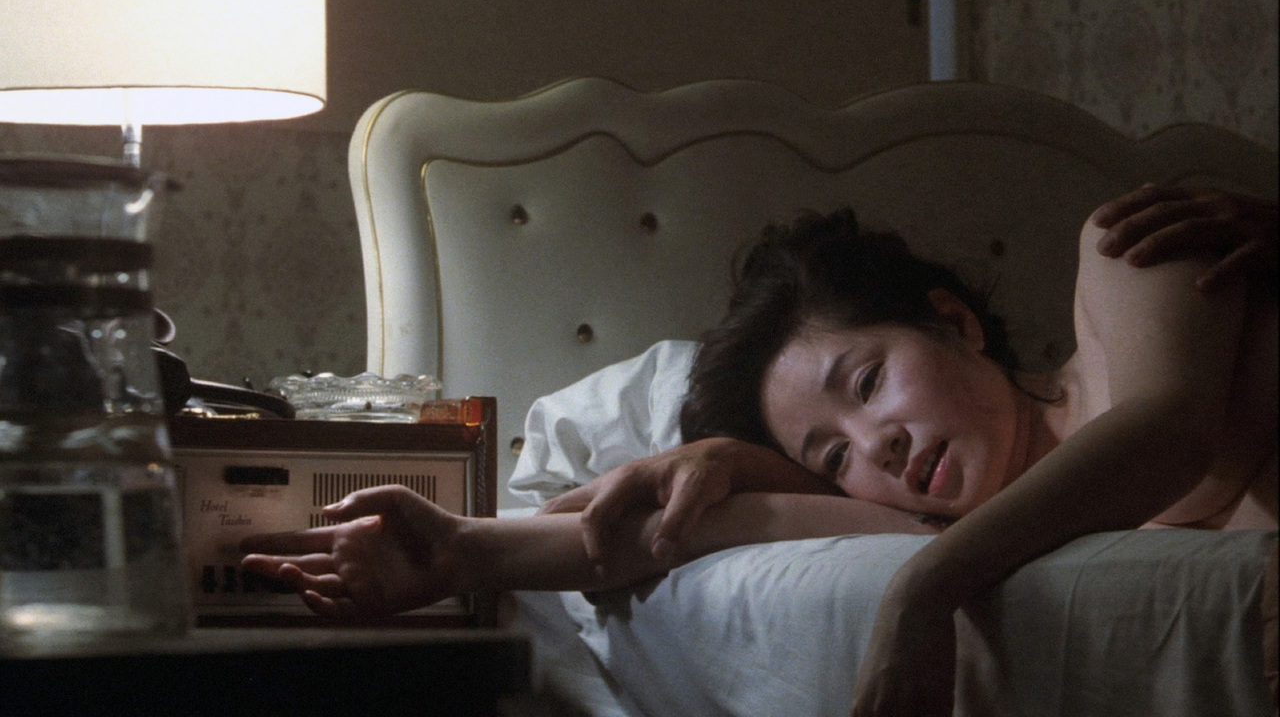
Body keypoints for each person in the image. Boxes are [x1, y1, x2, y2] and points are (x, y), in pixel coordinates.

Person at [240, 184, 1277, 717]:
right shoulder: (928, 516)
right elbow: (694, 532)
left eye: (867, 382)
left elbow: (1167, 432)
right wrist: (464, 549)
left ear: (955, 321)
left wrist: (926, 592)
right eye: (832, 457)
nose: (877, 448)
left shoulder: (1129, 253)